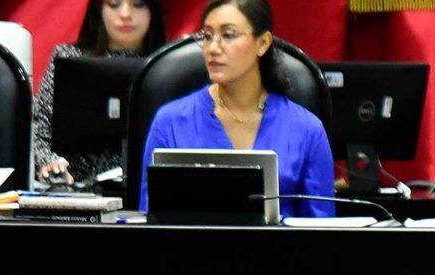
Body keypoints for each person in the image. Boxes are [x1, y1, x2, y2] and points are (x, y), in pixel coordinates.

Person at [140, 0, 334, 217]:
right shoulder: (170, 122)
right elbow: (149, 220)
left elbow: (320, 226)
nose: (213, 48)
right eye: (207, 36)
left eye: (229, 35)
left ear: (263, 43)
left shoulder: (306, 129)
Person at [32, 0, 167, 187]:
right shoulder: (68, 59)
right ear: (98, 9)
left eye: (138, 4)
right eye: (114, 4)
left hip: (149, 190)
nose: (125, 14)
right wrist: (50, 164)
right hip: (75, 189)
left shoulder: (169, 67)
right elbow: (38, 132)